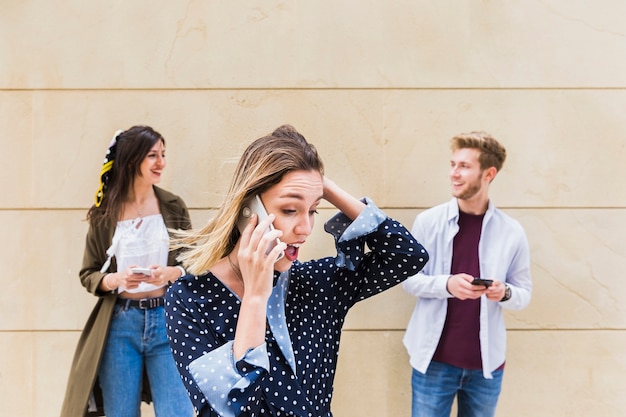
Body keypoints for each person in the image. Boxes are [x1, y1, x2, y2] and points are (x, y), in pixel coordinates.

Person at [164, 124, 429, 417]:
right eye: (290, 210)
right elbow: (227, 409)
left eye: (313, 210)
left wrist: (320, 186)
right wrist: (254, 298)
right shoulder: (189, 298)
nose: (305, 229)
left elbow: (407, 255)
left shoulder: (316, 283)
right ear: (249, 208)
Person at [61, 126, 194, 416]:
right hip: (120, 324)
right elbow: (89, 272)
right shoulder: (104, 212)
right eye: (152, 155)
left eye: (163, 155)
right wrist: (117, 279)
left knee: (178, 411)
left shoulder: (172, 206)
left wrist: (171, 273)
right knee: (121, 412)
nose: (161, 162)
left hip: (166, 321)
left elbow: (193, 263)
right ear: (132, 160)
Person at [402, 131, 532, 417]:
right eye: (452, 164)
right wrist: (446, 284)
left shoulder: (511, 232)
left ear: (489, 173)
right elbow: (409, 280)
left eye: (464, 166)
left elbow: (523, 292)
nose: (454, 174)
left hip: (487, 367)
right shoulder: (428, 222)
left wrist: (504, 292)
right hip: (433, 362)